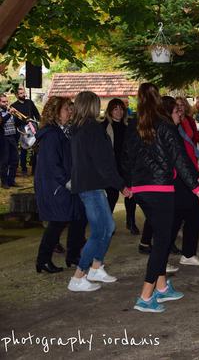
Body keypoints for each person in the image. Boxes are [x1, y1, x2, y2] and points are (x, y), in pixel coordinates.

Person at [123, 83, 199, 313]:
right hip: (160, 189)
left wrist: (128, 183)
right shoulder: (165, 126)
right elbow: (178, 158)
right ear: (158, 100)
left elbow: (125, 158)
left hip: (140, 189)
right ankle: (145, 296)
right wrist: (195, 186)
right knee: (161, 242)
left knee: (161, 236)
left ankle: (161, 287)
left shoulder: (133, 125)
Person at [68, 91, 129, 292]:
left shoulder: (77, 128)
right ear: (92, 106)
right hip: (91, 186)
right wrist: (121, 185)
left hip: (89, 185)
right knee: (99, 232)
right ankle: (78, 277)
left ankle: (96, 267)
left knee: (108, 226)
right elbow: (104, 162)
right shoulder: (92, 128)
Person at [34, 96, 86, 273]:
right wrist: (67, 181)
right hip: (56, 186)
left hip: (64, 184)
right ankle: (43, 260)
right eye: (66, 109)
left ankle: (72, 255)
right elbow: (52, 164)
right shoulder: (51, 134)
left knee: (76, 217)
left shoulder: (65, 131)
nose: (70, 112)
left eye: (71, 109)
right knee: (58, 222)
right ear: (56, 113)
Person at [162, 96, 199, 267]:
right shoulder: (167, 130)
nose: (179, 112)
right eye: (175, 110)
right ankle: (162, 259)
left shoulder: (175, 127)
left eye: (180, 108)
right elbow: (178, 160)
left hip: (182, 178)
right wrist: (196, 181)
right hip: (173, 180)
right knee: (175, 219)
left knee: (190, 214)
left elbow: (184, 157)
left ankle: (187, 254)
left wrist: (196, 176)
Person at [102, 98, 138, 235]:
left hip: (126, 167)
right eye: (115, 109)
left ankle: (131, 222)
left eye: (121, 109)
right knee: (112, 196)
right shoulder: (104, 126)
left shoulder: (128, 126)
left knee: (130, 195)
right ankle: (108, 223)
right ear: (110, 111)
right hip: (111, 167)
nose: (119, 112)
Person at [11, 86, 40, 175]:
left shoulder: (30, 102)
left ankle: (34, 170)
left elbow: (36, 114)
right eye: (21, 93)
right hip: (22, 129)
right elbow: (14, 121)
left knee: (35, 149)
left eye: (24, 93)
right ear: (16, 95)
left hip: (33, 127)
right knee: (24, 149)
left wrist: (40, 122)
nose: (23, 95)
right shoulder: (14, 106)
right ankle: (24, 169)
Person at [1, 94, 20, 188]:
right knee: (4, 161)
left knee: (15, 160)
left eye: (6, 101)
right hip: (3, 138)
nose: (6, 103)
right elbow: (2, 121)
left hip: (12, 137)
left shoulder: (10, 111)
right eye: (3, 102)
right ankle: (4, 182)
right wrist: (9, 114)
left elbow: (16, 123)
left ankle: (11, 180)